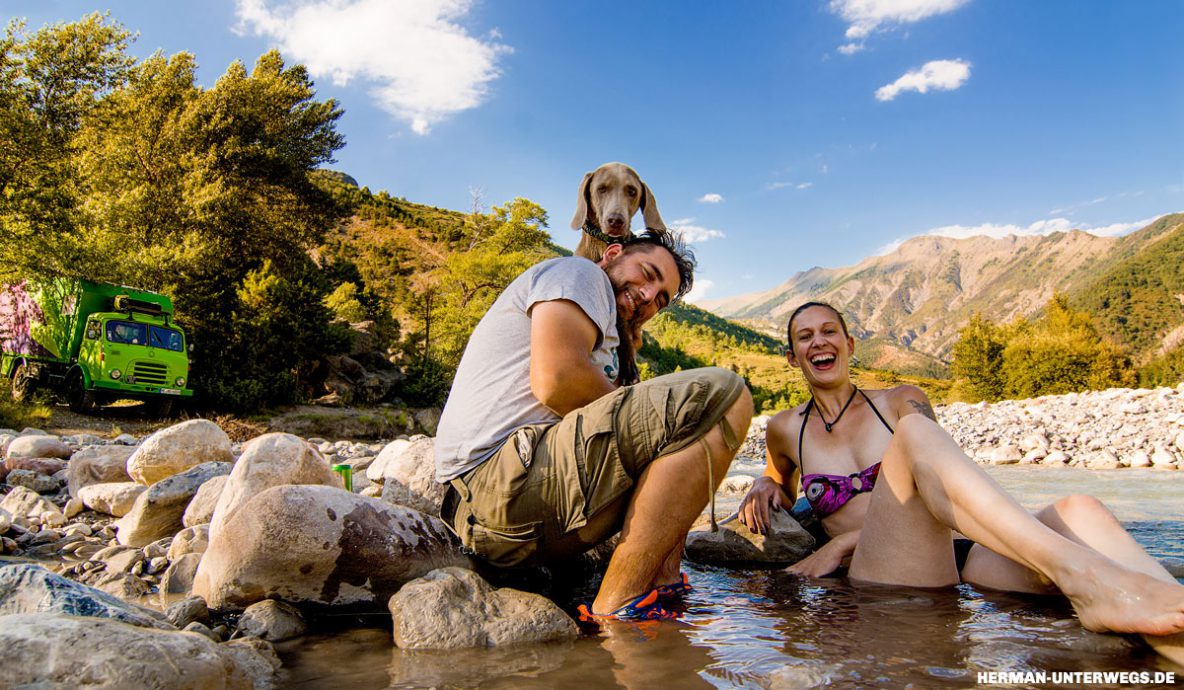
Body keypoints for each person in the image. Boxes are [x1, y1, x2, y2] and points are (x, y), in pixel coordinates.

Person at [739, 301, 1184, 662]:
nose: (819, 341)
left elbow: (942, 483)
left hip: (963, 553)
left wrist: (837, 542)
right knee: (913, 435)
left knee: (1081, 509)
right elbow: (779, 479)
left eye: (829, 331)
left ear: (850, 344)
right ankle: (1086, 579)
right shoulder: (784, 428)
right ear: (792, 356)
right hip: (885, 566)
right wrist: (765, 484)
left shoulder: (900, 400)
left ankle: (1158, 608)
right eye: (805, 336)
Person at [435, 230, 754, 621]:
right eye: (647, 273)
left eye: (661, 299)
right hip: (493, 488)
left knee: (677, 432)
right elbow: (557, 380)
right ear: (613, 254)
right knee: (725, 394)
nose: (649, 296)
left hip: (513, 509)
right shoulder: (580, 274)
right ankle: (618, 609)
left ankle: (663, 584)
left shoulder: (607, 337)